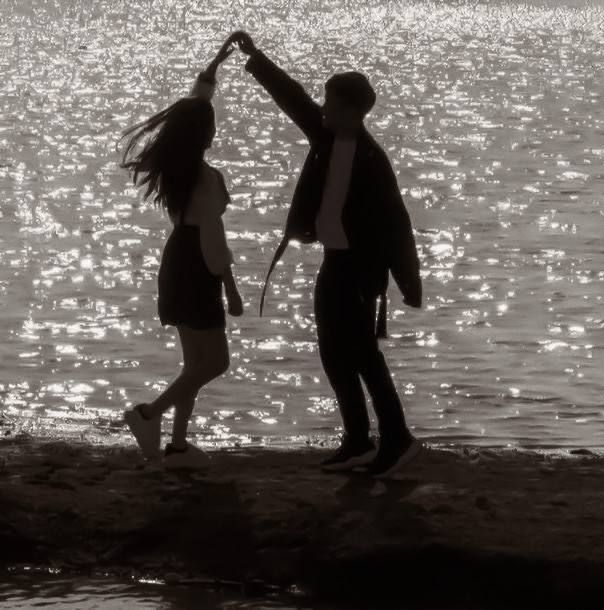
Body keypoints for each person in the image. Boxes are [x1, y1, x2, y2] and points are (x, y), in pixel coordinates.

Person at [228, 31, 423, 477]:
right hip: (334, 260)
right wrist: (255, 58)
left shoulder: (373, 160)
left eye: (332, 103)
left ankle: (398, 438)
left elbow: (397, 224)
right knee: (333, 352)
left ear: (353, 112)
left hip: (361, 269)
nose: (323, 109)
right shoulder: (325, 135)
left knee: (362, 354)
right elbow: (291, 97)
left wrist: (406, 285)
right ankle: (357, 439)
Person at [120, 40, 243, 467]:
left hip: (177, 260)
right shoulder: (206, 179)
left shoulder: (178, 167)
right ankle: (148, 414)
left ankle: (176, 446)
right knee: (216, 362)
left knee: (193, 363)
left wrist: (215, 64)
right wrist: (231, 289)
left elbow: (195, 104)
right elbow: (213, 237)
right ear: (205, 134)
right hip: (198, 265)